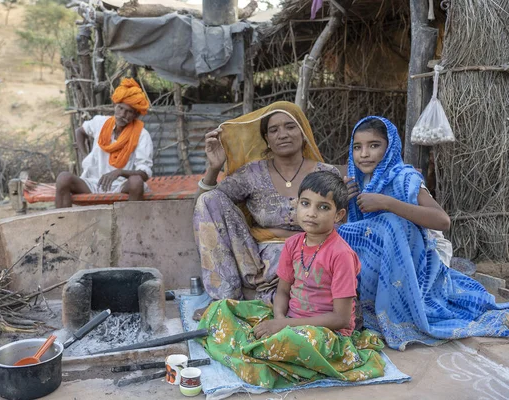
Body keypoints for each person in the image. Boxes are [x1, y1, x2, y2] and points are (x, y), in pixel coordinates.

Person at [196, 171, 385, 389]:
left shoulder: (341, 254)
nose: (311, 213)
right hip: (290, 319)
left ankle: (259, 350)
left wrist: (284, 326)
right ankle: (264, 348)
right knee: (221, 309)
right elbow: (283, 291)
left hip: (325, 334)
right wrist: (278, 318)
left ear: (339, 215)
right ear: (297, 205)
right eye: (305, 204)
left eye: (323, 207)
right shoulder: (293, 244)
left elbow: (341, 319)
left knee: (292, 342)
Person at [337, 116, 509, 350]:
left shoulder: (405, 177)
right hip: (385, 257)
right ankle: (367, 303)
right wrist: (345, 201)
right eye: (358, 147)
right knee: (344, 232)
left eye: (374, 145)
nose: (364, 154)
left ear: (390, 148)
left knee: (390, 222)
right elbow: (361, 230)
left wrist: (387, 203)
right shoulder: (359, 181)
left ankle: (398, 313)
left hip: (421, 257)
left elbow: (442, 221)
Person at [193, 101, 340, 319]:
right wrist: (214, 168)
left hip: (309, 257)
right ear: (267, 140)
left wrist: (284, 238)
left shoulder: (326, 173)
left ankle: (269, 301)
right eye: (274, 130)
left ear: (303, 132)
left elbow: (337, 226)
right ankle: (225, 300)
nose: (282, 134)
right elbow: (204, 208)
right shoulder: (252, 173)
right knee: (210, 199)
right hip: (255, 262)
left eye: (290, 127)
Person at [53, 78, 153, 208]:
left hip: (121, 185)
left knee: (136, 182)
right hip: (93, 183)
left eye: (128, 111)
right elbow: (80, 131)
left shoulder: (142, 135)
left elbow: (144, 174)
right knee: (63, 178)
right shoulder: (100, 122)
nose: (122, 114)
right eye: (120, 108)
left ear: (136, 115)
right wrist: (85, 155)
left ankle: (130, 226)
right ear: (114, 106)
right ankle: (62, 225)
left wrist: (119, 172)